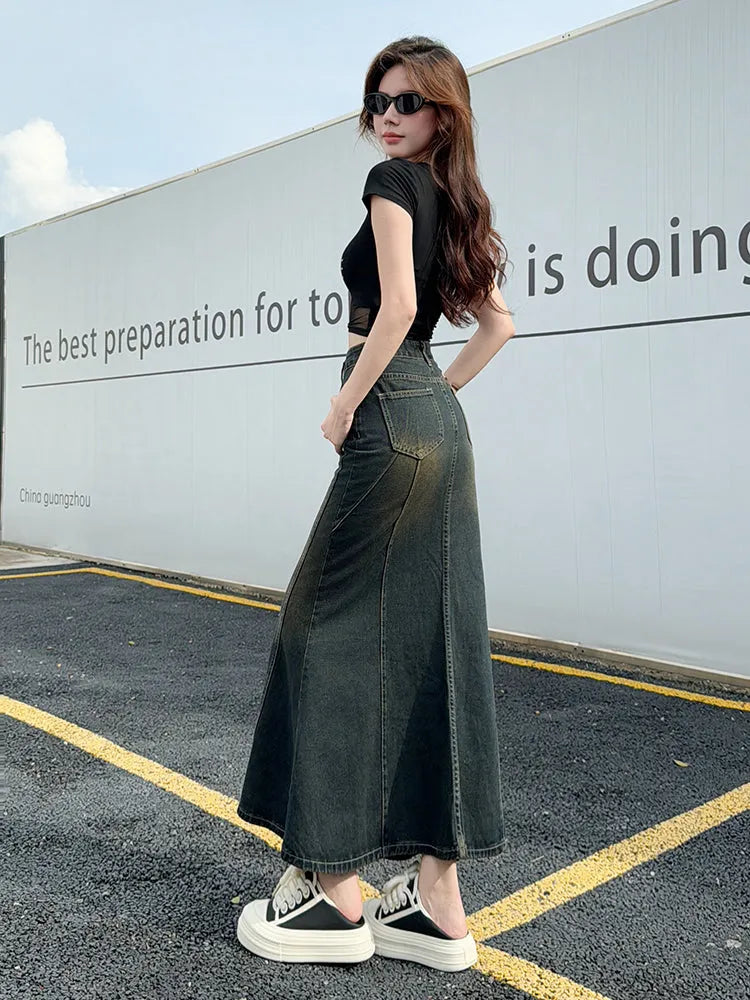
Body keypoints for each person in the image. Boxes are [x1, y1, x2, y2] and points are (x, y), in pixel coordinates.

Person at [235, 34, 516, 973]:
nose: (387, 116)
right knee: (433, 635)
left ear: (444, 112)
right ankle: (438, 903)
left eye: (407, 101)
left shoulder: (394, 188)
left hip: (389, 402)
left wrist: (348, 402)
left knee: (320, 626)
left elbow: (395, 308)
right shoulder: (459, 200)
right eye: (379, 100)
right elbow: (499, 325)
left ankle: (332, 895)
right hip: (435, 417)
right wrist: (436, 403)